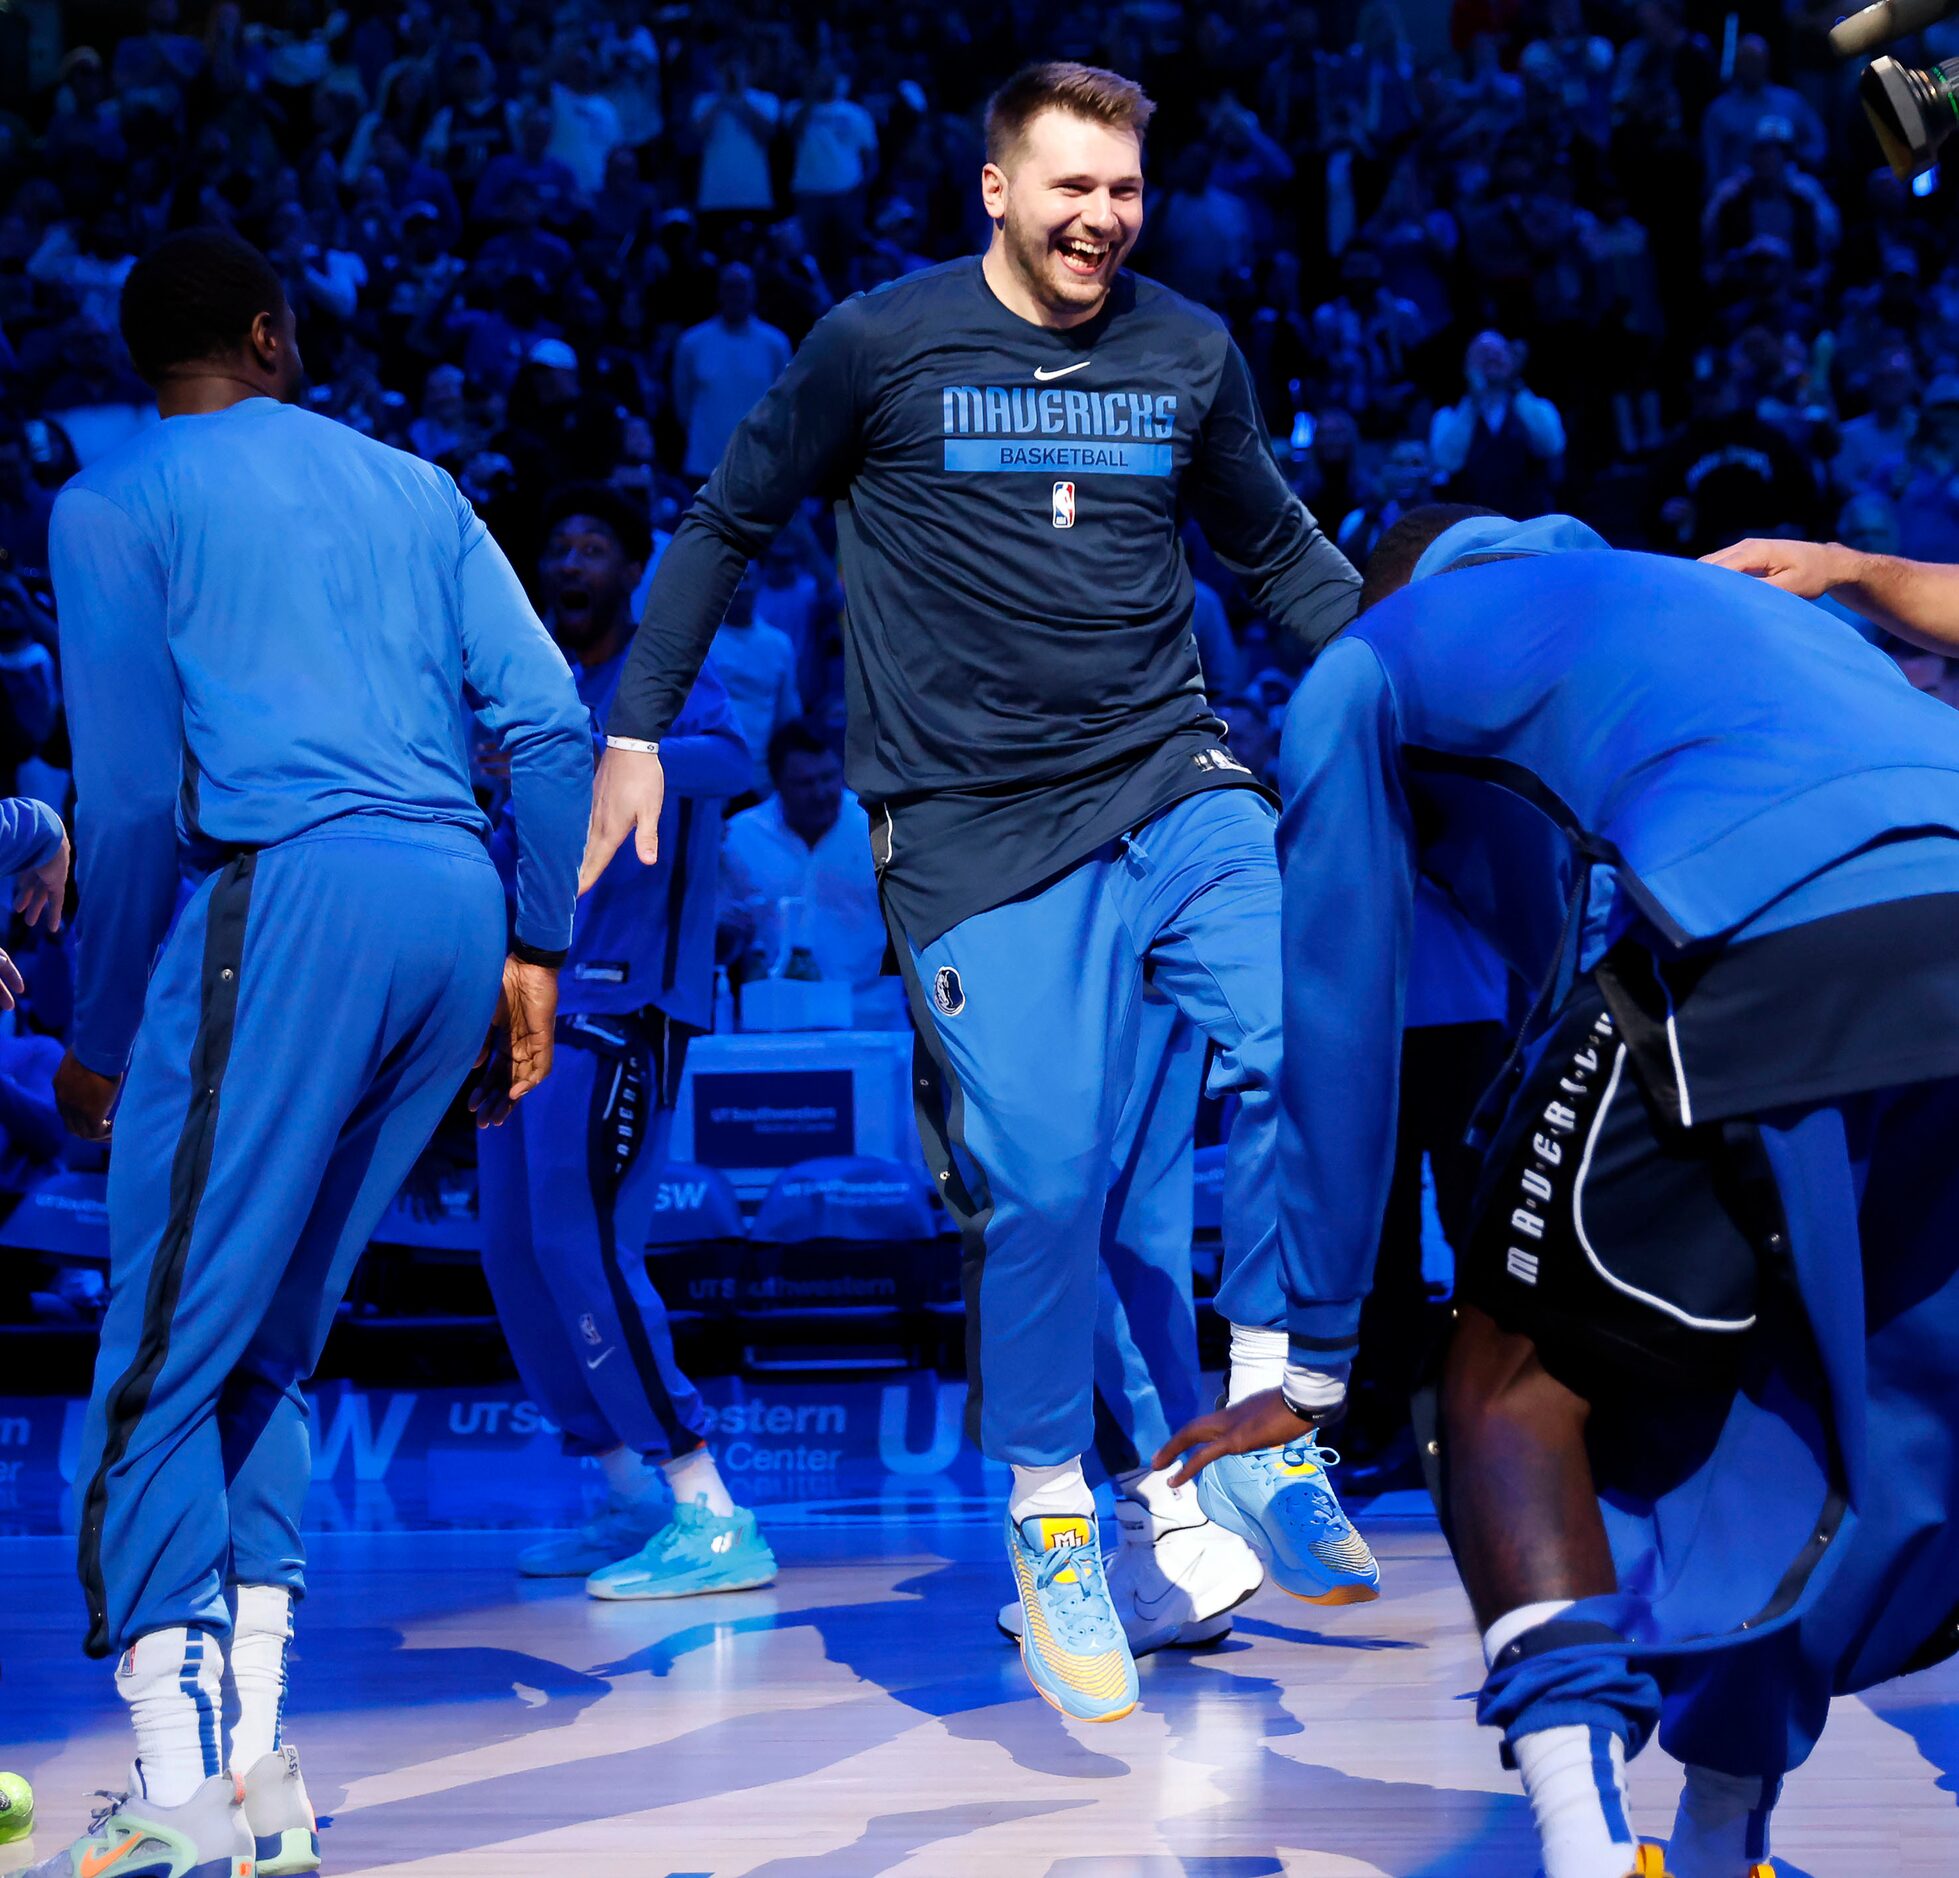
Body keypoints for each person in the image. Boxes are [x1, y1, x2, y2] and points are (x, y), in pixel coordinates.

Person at [581, 60, 1371, 1727]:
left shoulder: (1186, 353)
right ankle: (1048, 1522)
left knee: (1316, 1040)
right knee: (1047, 1179)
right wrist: (635, 726)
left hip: (1172, 775)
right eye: (1069, 187)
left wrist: (1418, 684)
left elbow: (1281, 555)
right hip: (965, 835)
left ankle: (1255, 1418)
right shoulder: (876, 345)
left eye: (1124, 189)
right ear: (996, 193)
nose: (1101, 218)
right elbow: (724, 519)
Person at [1163, 504, 1959, 1878]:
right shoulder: (1700, 599)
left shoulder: (1368, 660)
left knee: (1497, 1379)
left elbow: (1341, 1020)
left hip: (1762, 921)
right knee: (1801, 1401)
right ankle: (1720, 1844)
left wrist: (1313, 1363)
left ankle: (1586, 1851)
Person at [36, 229, 589, 1878]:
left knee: (151, 1347)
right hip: (451, 900)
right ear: (273, 336)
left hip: (281, 895)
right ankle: (262, 1767)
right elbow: (550, 722)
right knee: (261, 1333)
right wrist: (534, 948)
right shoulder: (417, 488)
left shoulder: (113, 497)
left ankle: (168, 1784)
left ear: (154, 362)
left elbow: (131, 796)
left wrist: (97, 1017)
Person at [477, 482, 775, 1602]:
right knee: (513, 1254)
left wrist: (604, 750)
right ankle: (626, 1492)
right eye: (559, 545)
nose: (573, 562)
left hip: (623, 1002)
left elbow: (730, 767)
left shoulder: (663, 678)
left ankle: (708, 1506)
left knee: (585, 1247)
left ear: (629, 568)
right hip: (521, 1006)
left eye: (594, 545)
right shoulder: (529, 695)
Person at [720, 719, 888, 1012]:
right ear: (777, 782)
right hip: (771, 1014)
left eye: (828, 777)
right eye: (805, 783)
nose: (820, 792)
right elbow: (724, 934)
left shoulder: (877, 828)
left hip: (871, 1011)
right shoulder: (740, 838)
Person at [671, 263, 792, 484]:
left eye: (742, 287)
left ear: (753, 291)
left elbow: (784, 402)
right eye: (730, 287)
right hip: (704, 464)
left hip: (758, 465)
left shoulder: (775, 344)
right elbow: (682, 405)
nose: (736, 294)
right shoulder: (691, 343)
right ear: (719, 292)